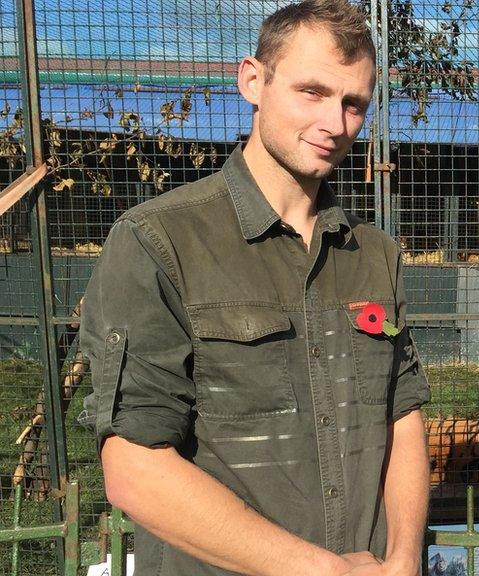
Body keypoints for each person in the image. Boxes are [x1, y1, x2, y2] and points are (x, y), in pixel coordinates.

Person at [79, 2, 430, 574]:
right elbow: (135, 467)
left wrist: (406, 558)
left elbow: (403, 411)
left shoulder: (375, 255)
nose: (335, 124)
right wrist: (325, 571)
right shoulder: (159, 241)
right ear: (253, 81)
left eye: (354, 104)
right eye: (311, 92)